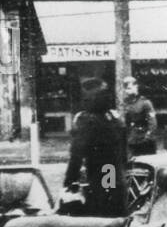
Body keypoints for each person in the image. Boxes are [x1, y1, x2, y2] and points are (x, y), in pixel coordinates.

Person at [65, 78, 127, 217]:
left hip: (105, 171)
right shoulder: (111, 117)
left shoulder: (87, 120)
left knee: (106, 208)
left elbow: (76, 154)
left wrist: (70, 179)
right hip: (109, 170)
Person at [121, 75, 158, 155]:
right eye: (126, 89)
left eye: (129, 88)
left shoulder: (145, 103)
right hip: (132, 140)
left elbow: (153, 124)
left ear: (136, 87)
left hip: (145, 141)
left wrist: (147, 138)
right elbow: (127, 122)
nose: (127, 91)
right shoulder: (127, 103)